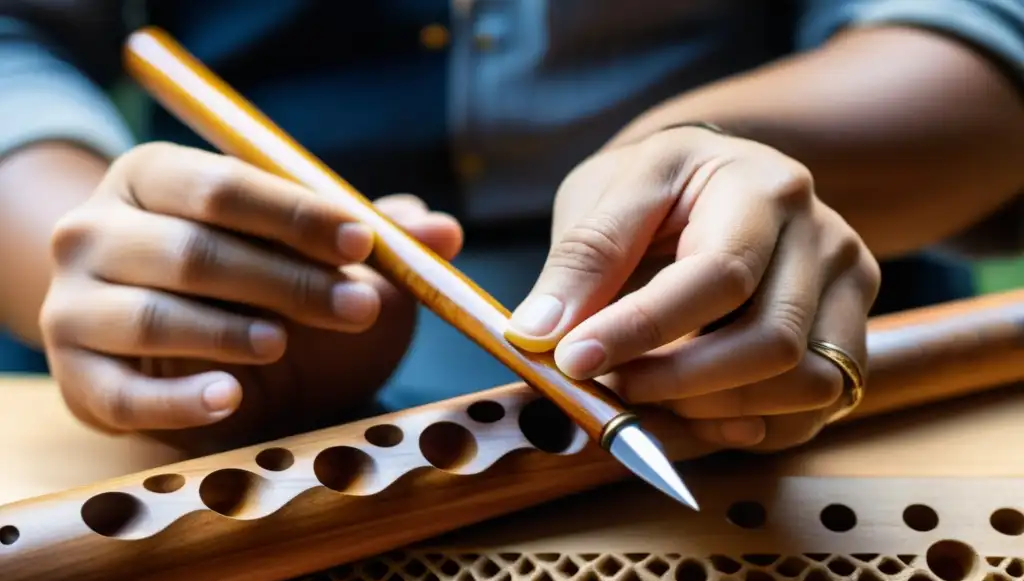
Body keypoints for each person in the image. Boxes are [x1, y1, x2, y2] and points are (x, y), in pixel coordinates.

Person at [0, 1, 1021, 456]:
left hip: (773, 337)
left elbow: (981, 26)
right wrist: (140, 285)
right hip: (253, 331)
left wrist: (708, 155)